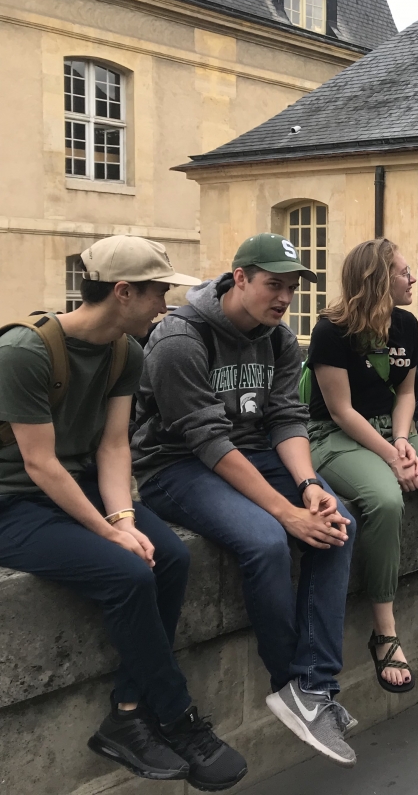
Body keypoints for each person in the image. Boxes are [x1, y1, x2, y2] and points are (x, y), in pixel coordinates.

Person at [0, 236, 246, 790]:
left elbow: (114, 447)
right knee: (129, 573)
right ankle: (178, 717)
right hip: (13, 502)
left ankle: (128, 714)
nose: (166, 304)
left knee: (173, 557)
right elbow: (39, 465)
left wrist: (125, 521)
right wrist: (108, 532)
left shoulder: (125, 351)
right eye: (159, 292)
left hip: (78, 484)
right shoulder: (24, 352)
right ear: (123, 291)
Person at [133, 233, 358, 767]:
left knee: (338, 520)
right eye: (273, 285)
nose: (284, 298)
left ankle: (315, 685)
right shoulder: (178, 339)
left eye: (292, 288)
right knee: (266, 540)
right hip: (175, 465)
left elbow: (286, 417)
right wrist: (284, 512)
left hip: (253, 452)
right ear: (239, 277)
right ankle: (288, 680)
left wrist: (308, 487)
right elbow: (207, 439)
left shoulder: (279, 339)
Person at [305, 239, 418, 693]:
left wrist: (402, 442)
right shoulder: (331, 330)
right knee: (385, 501)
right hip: (335, 435)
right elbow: (341, 410)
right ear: (378, 280)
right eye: (405, 273)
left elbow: (406, 393)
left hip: (394, 429)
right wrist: (391, 457)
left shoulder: (405, 324)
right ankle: (384, 631)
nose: (413, 279)